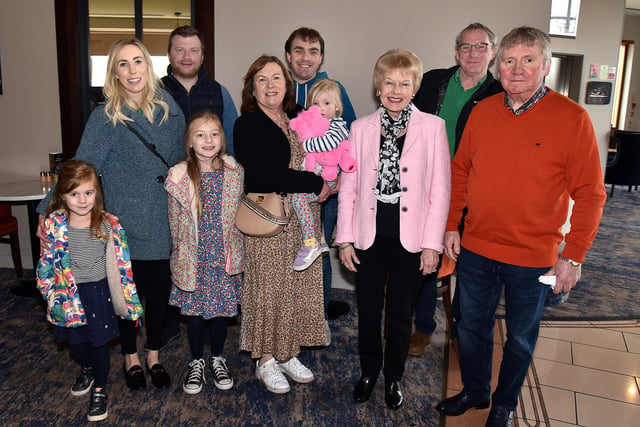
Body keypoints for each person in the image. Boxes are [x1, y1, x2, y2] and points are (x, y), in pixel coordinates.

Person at [435, 27, 606, 427]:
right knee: (470, 327)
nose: (516, 69)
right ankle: (476, 390)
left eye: (528, 60)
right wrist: (451, 226)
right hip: (475, 249)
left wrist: (574, 256)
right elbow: (459, 173)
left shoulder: (573, 119)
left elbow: (591, 194)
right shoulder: (481, 111)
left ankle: (504, 403)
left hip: (534, 259)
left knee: (520, 339)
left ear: (545, 66)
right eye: (509, 60)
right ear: (498, 65)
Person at [37, 38, 186, 391]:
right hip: (123, 224)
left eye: (138, 61)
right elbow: (82, 167)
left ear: (148, 66)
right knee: (124, 295)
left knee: (160, 293)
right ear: (114, 73)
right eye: (123, 64)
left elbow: (185, 158)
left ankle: (154, 355)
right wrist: (47, 208)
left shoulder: (169, 107)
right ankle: (131, 357)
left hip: (165, 218)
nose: (132, 70)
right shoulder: (105, 116)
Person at [336, 49, 451, 410]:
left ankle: (395, 376)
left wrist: (432, 245)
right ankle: (369, 371)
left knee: (401, 314)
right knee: (368, 311)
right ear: (378, 85)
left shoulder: (433, 127)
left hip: (412, 238)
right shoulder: (360, 128)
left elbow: (440, 190)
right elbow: (349, 186)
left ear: (415, 86)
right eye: (389, 82)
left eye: (404, 83)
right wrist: (344, 238)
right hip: (369, 234)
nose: (396, 90)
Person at [234, 55, 330, 394]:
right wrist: (315, 183)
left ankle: (289, 353)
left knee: (296, 289)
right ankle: (266, 360)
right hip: (270, 219)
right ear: (252, 88)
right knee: (270, 289)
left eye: (277, 78)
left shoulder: (297, 119)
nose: (270, 85)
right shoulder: (247, 124)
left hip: (302, 222)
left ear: (287, 84)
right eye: (262, 79)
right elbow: (262, 175)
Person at [408, 22, 503, 357]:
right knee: (425, 258)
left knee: (471, 266)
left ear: (493, 51)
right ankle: (422, 328)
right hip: (425, 188)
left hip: (473, 194)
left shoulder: (499, 93)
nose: (473, 53)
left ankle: (463, 332)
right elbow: (409, 122)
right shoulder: (434, 80)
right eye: (466, 46)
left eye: (481, 46)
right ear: (456, 50)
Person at [36, 160, 144, 422]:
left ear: (97, 193)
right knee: (76, 344)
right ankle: (86, 367)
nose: (82, 200)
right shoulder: (54, 225)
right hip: (68, 295)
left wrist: (128, 299)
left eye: (88, 192)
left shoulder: (108, 224)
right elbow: (46, 263)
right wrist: (49, 291)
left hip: (99, 294)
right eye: (74, 194)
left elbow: (123, 265)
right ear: (61, 195)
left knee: (99, 345)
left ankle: (99, 388)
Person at [165, 110, 244, 395]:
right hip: (194, 258)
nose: (208, 140)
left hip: (223, 256)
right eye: (200, 135)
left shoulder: (233, 172)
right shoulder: (179, 176)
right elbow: (174, 221)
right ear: (189, 141)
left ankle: (218, 358)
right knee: (196, 315)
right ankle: (196, 361)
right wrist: (179, 255)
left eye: (214, 134)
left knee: (221, 313)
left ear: (222, 138)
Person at [284, 27, 356, 320]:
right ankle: (290, 313)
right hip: (289, 184)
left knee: (320, 249)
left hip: (327, 187)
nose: (305, 57)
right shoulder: (279, 85)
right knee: (292, 249)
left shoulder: (332, 89)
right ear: (288, 56)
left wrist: (340, 178)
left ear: (321, 57)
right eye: (299, 50)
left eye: (313, 51)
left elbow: (349, 135)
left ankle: (319, 314)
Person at [290, 79, 350, 274]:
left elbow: (329, 143)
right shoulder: (316, 126)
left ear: (337, 107)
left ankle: (310, 242)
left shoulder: (337, 125)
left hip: (330, 178)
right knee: (314, 210)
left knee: (299, 200)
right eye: (316, 104)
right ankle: (322, 240)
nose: (321, 108)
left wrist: (306, 146)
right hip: (317, 177)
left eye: (327, 103)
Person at [162, 26, 238, 154]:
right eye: (179, 50)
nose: (187, 57)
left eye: (194, 50)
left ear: (202, 57)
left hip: (213, 172)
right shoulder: (154, 93)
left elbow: (232, 141)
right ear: (169, 55)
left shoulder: (220, 92)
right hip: (168, 173)